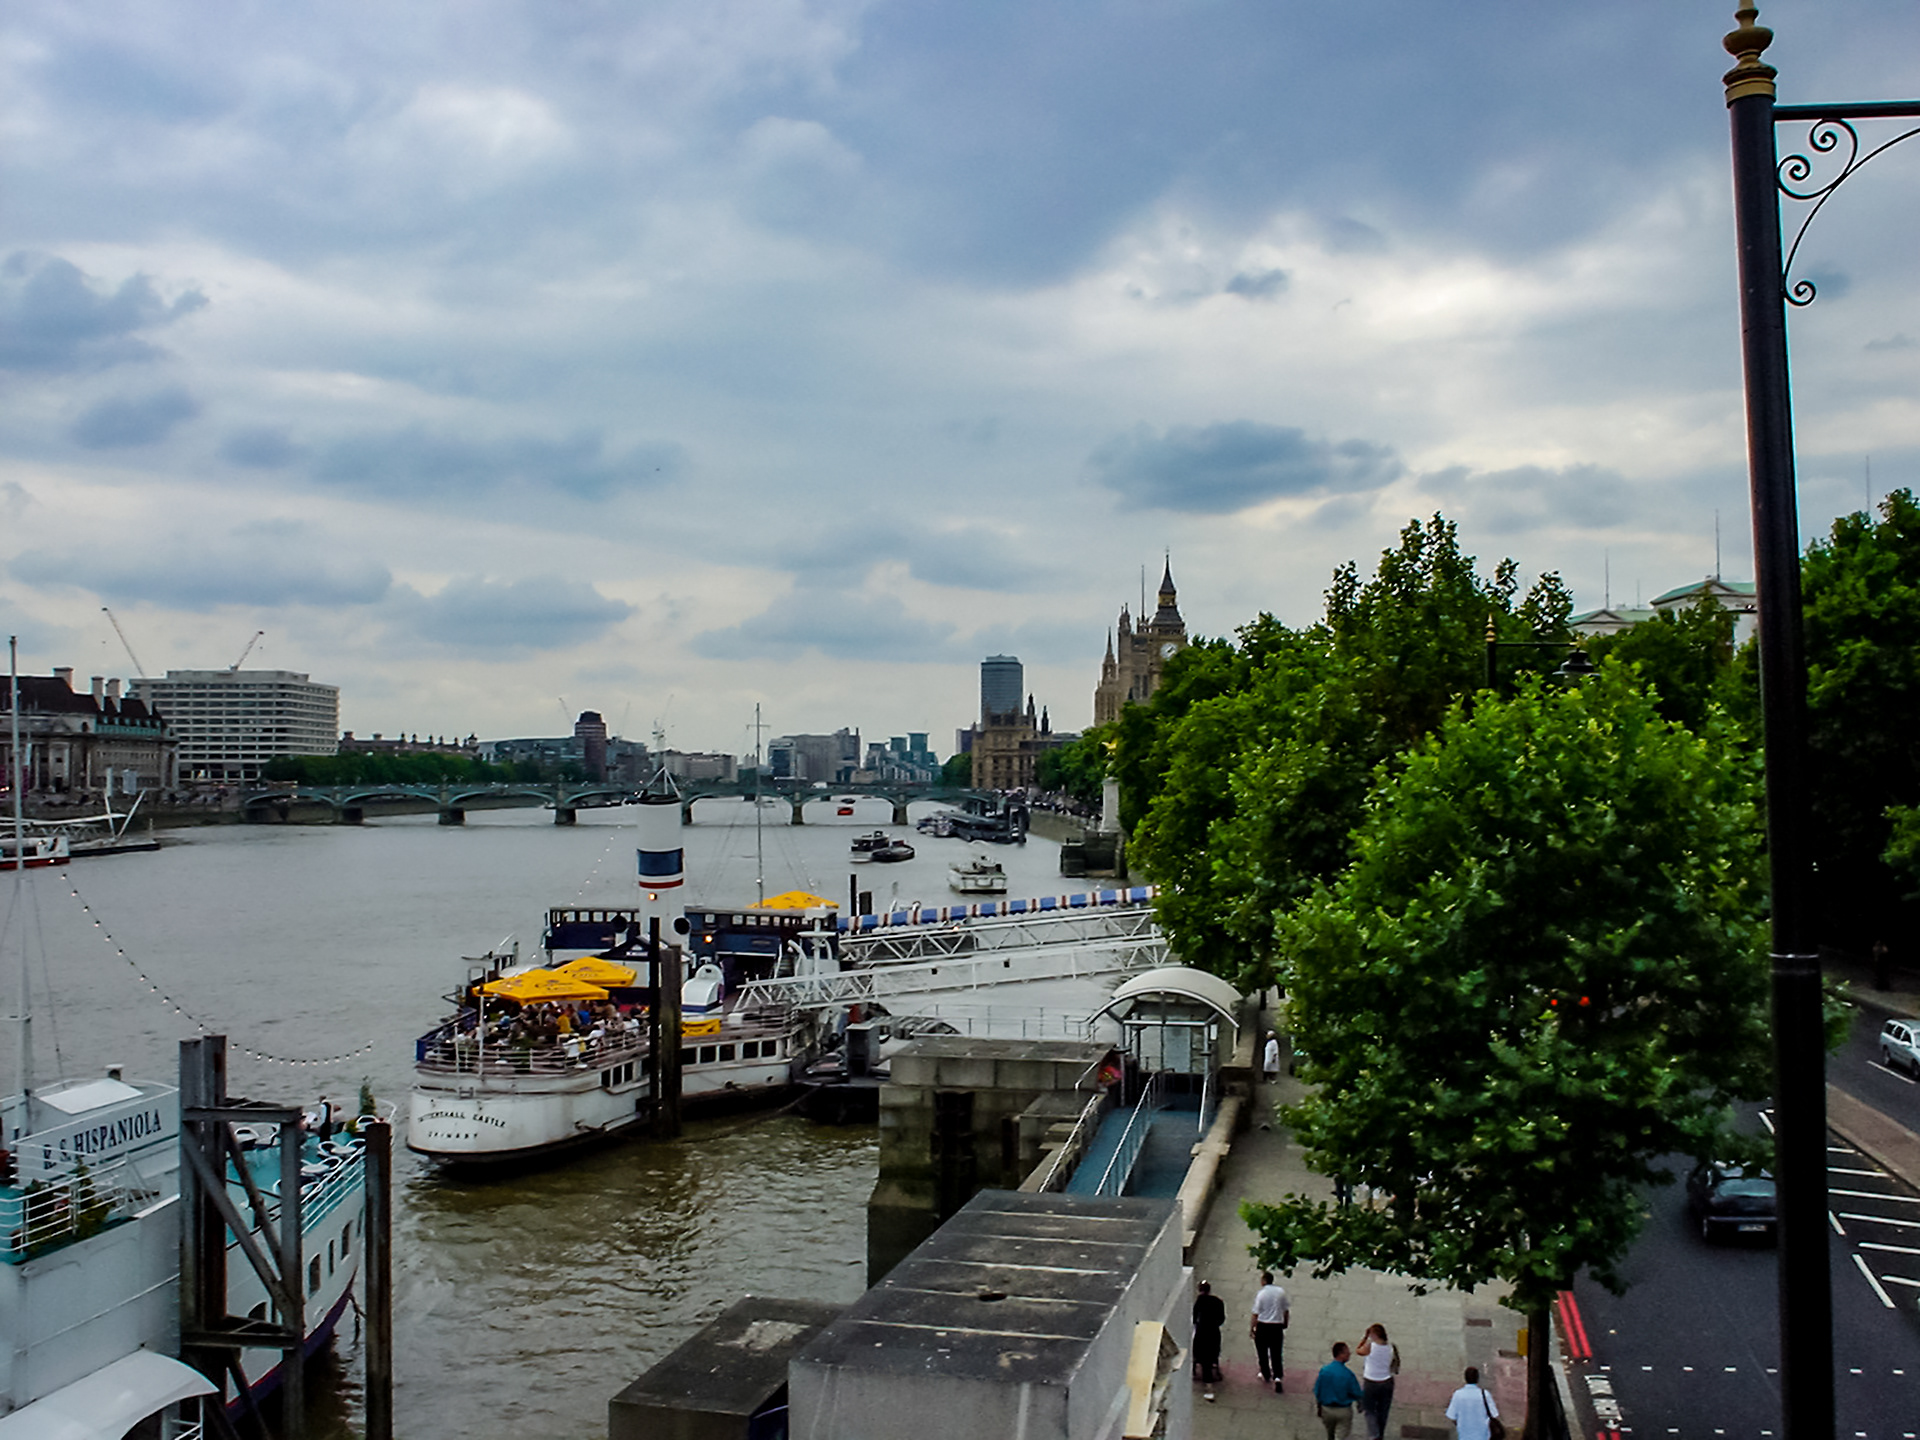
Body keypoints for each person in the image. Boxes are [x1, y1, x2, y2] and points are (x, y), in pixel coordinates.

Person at [1314, 1342, 1365, 1439]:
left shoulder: (1324, 1371)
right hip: (1343, 1410)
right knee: (1341, 1435)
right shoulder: (1348, 1374)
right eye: (1347, 1352)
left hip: (1327, 1409)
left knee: (1330, 1434)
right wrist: (1360, 1403)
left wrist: (1319, 1407)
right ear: (1340, 1354)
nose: (1349, 1354)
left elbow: (1318, 1391)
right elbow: (1356, 1392)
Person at [1249, 1270, 1289, 1392]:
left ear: (1264, 1281)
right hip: (1276, 1326)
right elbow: (1286, 1310)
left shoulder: (1261, 1294)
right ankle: (1277, 1377)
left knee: (1262, 1352)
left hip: (1263, 1326)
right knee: (1276, 1353)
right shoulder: (1280, 1292)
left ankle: (1265, 1373)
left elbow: (1255, 1313)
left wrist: (1252, 1328)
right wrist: (1285, 1323)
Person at [1356, 1323, 1397, 1440]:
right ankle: (1380, 1433)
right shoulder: (1392, 1347)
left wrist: (1364, 1338)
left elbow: (1358, 1350)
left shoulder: (1370, 1347)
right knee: (1383, 1410)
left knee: (1369, 1409)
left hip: (1371, 1381)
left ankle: (1373, 1434)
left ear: (1373, 1335)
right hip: (1387, 1381)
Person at [1444, 1366, 1501, 1440]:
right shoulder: (1485, 1394)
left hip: (1464, 1436)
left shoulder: (1458, 1395)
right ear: (1477, 1379)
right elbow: (1494, 1414)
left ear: (1465, 1378)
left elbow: (1451, 1416)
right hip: (1482, 1436)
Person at [1191, 1281, 1226, 1385]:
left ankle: (1202, 1370)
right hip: (1213, 1330)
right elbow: (1221, 1319)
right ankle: (1212, 1368)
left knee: (1200, 1350)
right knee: (1213, 1350)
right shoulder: (1218, 1301)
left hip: (1202, 1331)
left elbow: (1194, 1318)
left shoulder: (1199, 1302)